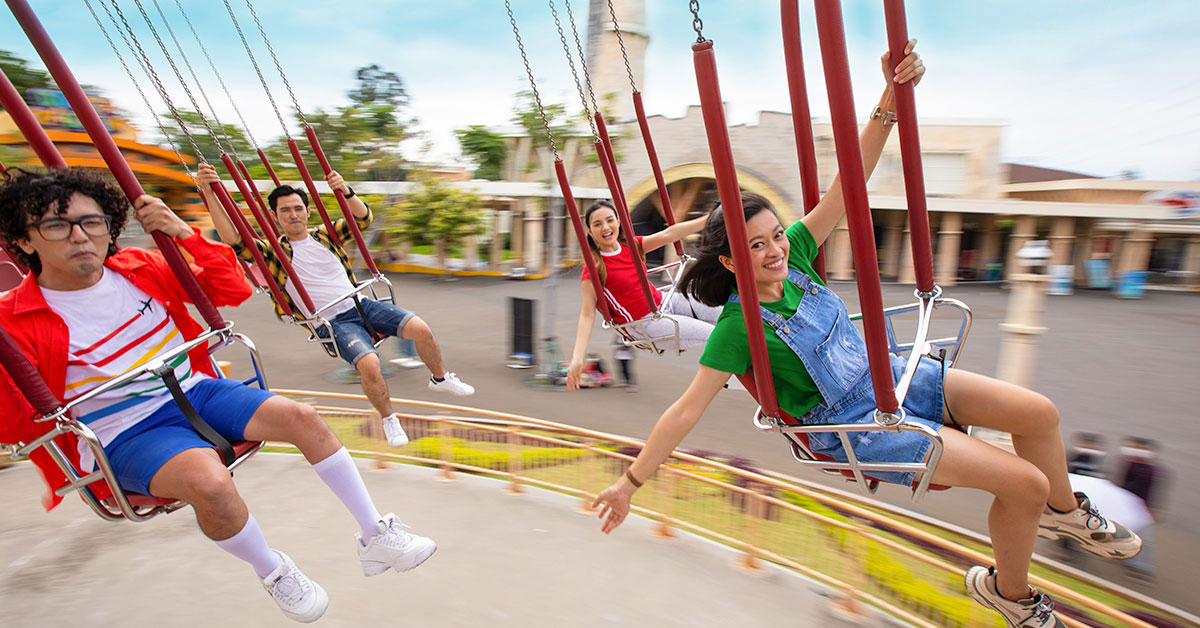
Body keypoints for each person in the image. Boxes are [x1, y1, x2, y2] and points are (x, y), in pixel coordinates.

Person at [590, 41, 1140, 628]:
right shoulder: (737, 327)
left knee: (1039, 413)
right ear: (729, 263)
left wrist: (890, 97)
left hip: (891, 375)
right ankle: (1010, 594)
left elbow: (847, 184)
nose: (775, 250)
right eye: (756, 246)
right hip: (859, 424)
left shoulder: (797, 254)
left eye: (775, 235)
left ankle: (1064, 512)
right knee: (1024, 484)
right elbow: (684, 411)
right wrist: (630, 482)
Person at [0, 168, 436, 623]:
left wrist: (184, 233)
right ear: (25, 240)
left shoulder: (139, 268)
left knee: (303, 417)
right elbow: (12, 425)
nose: (80, 236)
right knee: (209, 483)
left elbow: (233, 287)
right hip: (124, 429)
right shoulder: (14, 318)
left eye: (91, 222)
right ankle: (273, 570)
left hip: (194, 390)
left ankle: (374, 534)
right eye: (57, 225)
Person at [197, 163, 474, 448]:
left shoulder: (325, 235)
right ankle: (389, 418)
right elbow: (235, 241)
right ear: (275, 216)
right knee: (370, 364)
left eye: (298, 208)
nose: (293, 214)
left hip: (360, 304)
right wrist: (209, 192)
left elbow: (363, 218)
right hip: (332, 322)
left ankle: (440, 378)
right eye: (285, 210)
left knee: (421, 328)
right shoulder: (274, 252)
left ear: (308, 211)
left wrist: (345, 190)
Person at [566, 200, 717, 390]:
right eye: (597, 224)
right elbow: (587, 315)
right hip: (647, 324)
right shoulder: (594, 268)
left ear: (618, 222)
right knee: (716, 336)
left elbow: (669, 234)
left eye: (610, 220)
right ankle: (735, 370)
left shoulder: (631, 246)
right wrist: (577, 358)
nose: (605, 227)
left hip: (665, 302)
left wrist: (708, 219)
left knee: (725, 309)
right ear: (589, 231)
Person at [1117, 437, 1164, 583]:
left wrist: (1152, 510)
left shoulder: (1149, 470)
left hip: (1140, 509)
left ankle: (1141, 569)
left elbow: (1150, 492)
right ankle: (1125, 559)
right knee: (1122, 533)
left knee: (1142, 539)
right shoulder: (1130, 464)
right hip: (1125, 506)